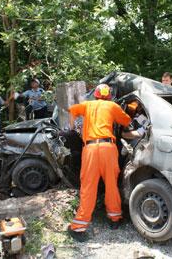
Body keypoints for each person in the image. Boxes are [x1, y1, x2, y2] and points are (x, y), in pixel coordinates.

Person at [68, 84, 131, 242]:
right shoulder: (112, 105)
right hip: (108, 148)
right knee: (111, 184)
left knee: (88, 187)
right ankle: (115, 219)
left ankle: (79, 227)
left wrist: (72, 127)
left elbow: (72, 110)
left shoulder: (87, 105)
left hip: (89, 149)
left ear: (95, 95)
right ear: (109, 96)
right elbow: (126, 120)